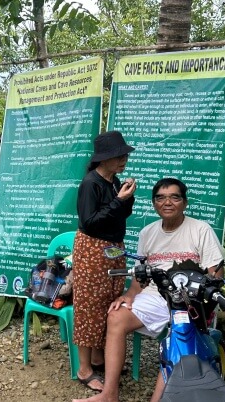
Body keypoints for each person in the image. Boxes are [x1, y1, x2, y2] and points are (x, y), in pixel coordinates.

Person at [74, 177, 225, 402]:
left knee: (180, 336)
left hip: (188, 300)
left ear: (185, 202)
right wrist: (128, 295)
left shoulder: (201, 230)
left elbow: (216, 275)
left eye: (175, 197)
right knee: (115, 316)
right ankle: (109, 394)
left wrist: (201, 298)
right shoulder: (147, 232)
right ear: (154, 203)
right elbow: (140, 277)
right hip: (155, 295)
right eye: (160, 198)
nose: (167, 203)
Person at [72, 131, 137, 392]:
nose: (124, 160)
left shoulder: (114, 180)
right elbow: (90, 223)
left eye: (124, 155)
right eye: (118, 156)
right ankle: (84, 369)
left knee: (108, 301)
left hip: (114, 249)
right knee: (89, 306)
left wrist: (126, 199)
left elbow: (120, 215)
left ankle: (100, 358)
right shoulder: (91, 183)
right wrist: (119, 200)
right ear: (104, 158)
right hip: (93, 249)